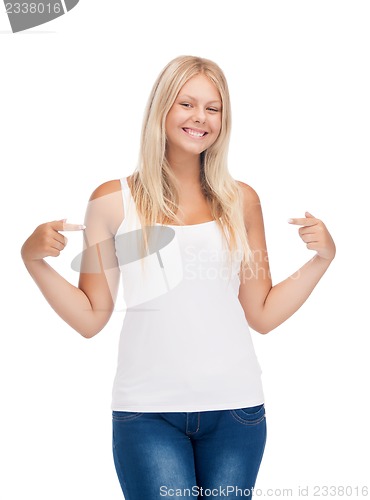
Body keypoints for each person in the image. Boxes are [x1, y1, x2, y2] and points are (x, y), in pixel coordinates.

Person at [21, 55, 336, 499]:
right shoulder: (113, 201)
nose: (200, 118)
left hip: (236, 412)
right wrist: (33, 259)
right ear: (162, 109)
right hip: (147, 415)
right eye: (186, 103)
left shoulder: (241, 201)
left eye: (213, 107)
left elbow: (261, 313)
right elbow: (92, 316)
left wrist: (322, 259)